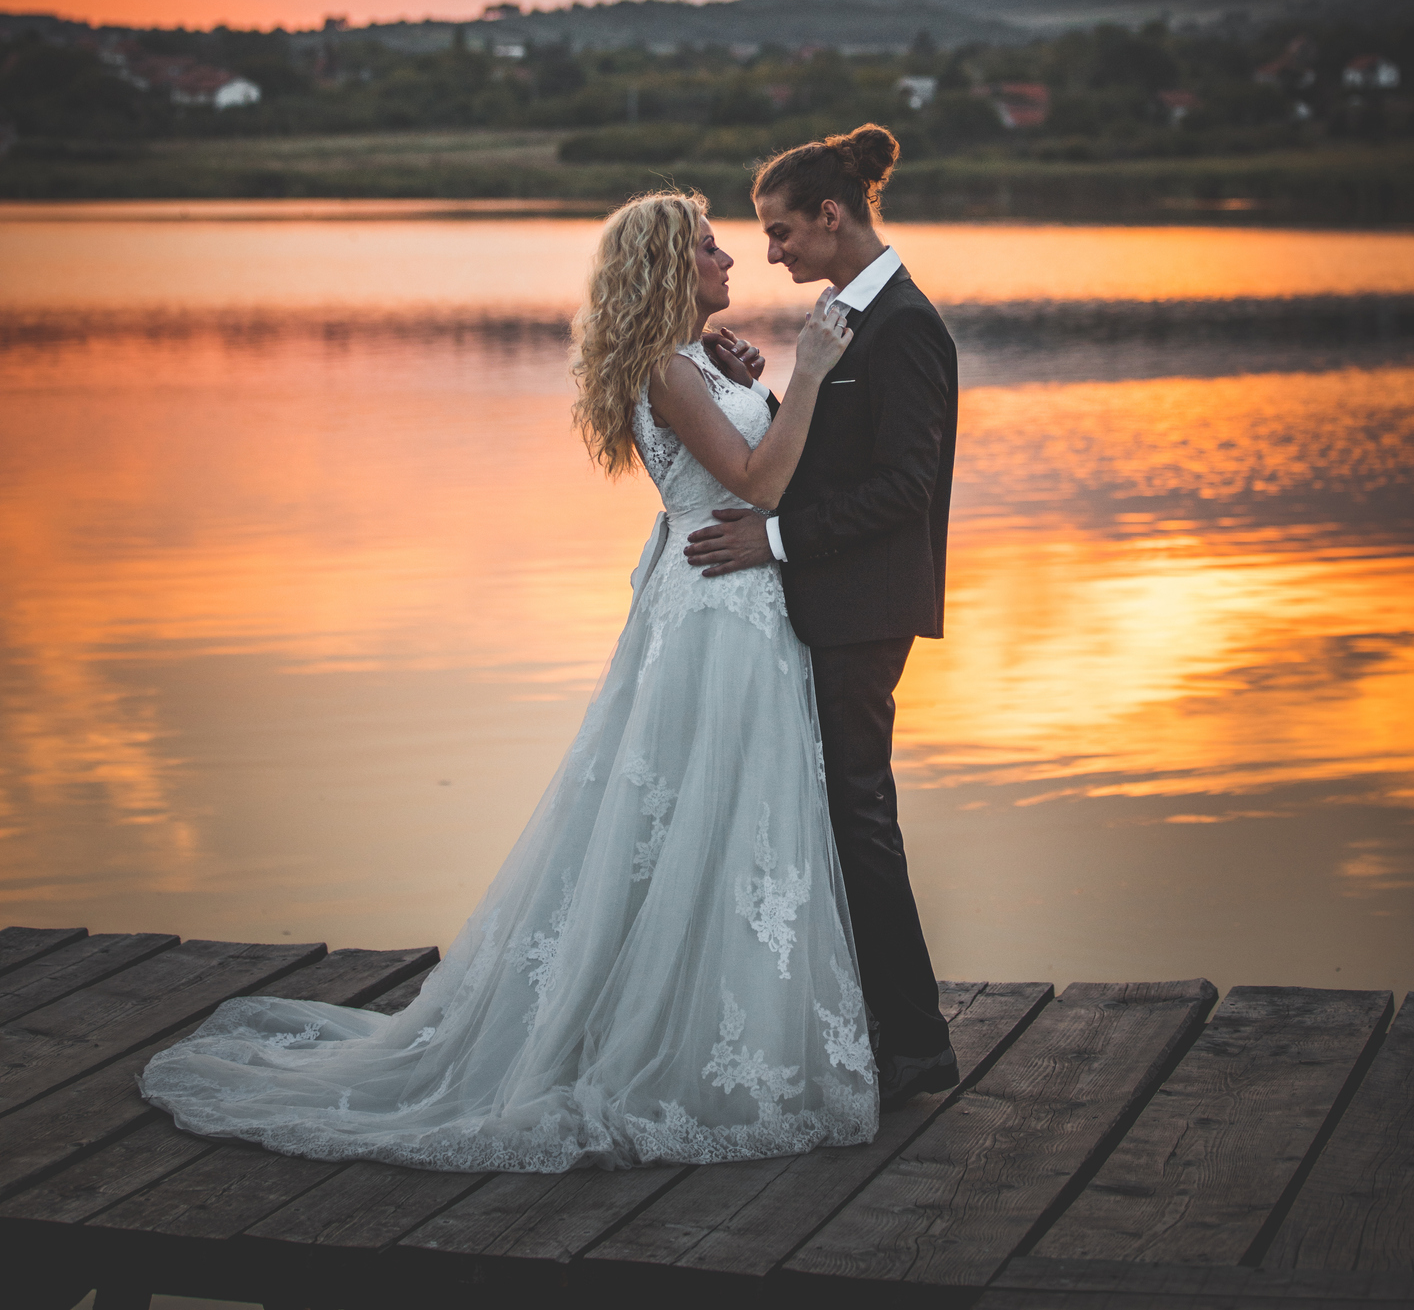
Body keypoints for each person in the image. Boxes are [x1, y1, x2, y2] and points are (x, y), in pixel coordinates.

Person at [139, 193, 879, 1172]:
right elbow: (762, 483)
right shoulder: (663, 370)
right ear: (667, 269)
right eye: (707, 247)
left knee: (738, 820)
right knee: (708, 815)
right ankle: (664, 1042)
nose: (729, 258)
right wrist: (814, 372)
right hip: (715, 620)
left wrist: (766, 384)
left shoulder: (703, 361)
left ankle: (720, 1026)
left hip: (740, 609)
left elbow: (754, 459)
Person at [684, 125, 961, 1110]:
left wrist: (776, 543)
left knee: (858, 815)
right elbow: (834, 448)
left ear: (830, 217)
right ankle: (872, 1027)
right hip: (830, 603)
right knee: (837, 815)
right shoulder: (849, 316)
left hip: (859, 608)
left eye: (779, 231)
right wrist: (750, 390)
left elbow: (903, 489)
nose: (769, 252)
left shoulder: (905, 326)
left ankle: (919, 1046)